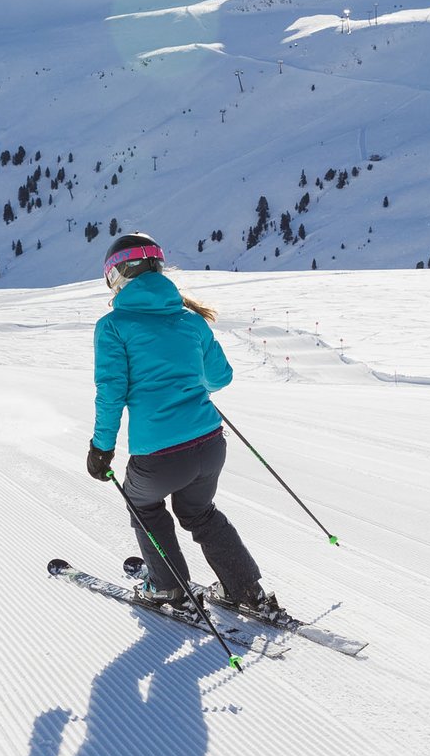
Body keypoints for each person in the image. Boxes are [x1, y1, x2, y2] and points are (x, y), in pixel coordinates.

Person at [84, 232, 286, 619]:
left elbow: (111, 393)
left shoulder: (113, 326)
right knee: (199, 512)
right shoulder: (190, 320)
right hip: (210, 445)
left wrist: (101, 448)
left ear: (117, 276)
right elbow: (220, 377)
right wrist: (189, 382)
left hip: (159, 456)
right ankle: (245, 589)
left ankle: (168, 587)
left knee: (143, 504)